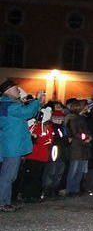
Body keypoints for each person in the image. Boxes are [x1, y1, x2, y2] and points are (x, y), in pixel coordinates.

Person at [0, 79, 43, 211]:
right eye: (15, 88)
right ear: (7, 91)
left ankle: (6, 201)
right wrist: (37, 101)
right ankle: (3, 203)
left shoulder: (7, 105)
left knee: (9, 175)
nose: (18, 90)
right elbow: (27, 112)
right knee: (8, 176)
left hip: (12, 144)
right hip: (12, 146)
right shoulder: (9, 105)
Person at [19, 107, 54, 203]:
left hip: (41, 156)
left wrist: (38, 139)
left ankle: (35, 195)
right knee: (29, 176)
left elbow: (49, 140)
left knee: (37, 176)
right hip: (31, 155)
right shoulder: (34, 126)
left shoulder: (47, 128)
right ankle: (27, 194)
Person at [64, 99, 92, 196]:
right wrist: (85, 137)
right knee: (74, 169)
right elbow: (74, 132)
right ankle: (70, 189)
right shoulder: (73, 118)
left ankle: (75, 189)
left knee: (80, 169)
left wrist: (88, 137)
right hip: (76, 146)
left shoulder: (82, 118)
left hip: (83, 146)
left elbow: (86, 131)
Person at [42, 109, 69, 199]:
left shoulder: (63, 128)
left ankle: (54, 190)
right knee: (51, 172)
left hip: (62, 153)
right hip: (54, 152)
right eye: (55, 118)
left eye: (60, 118)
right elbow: (54, 140)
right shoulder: (51, 127)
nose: (58, 120)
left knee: (59, 172)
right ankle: (47, 191)